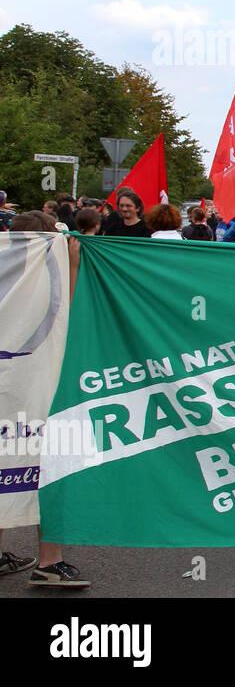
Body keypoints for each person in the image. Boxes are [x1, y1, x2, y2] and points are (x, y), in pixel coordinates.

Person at [0, 210, 90, 588]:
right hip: (42, 389)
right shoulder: (51, 276)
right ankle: (49, 561)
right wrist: (71, 265)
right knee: (48, 470)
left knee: (6, 464)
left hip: (8, 388)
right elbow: (70, 313)